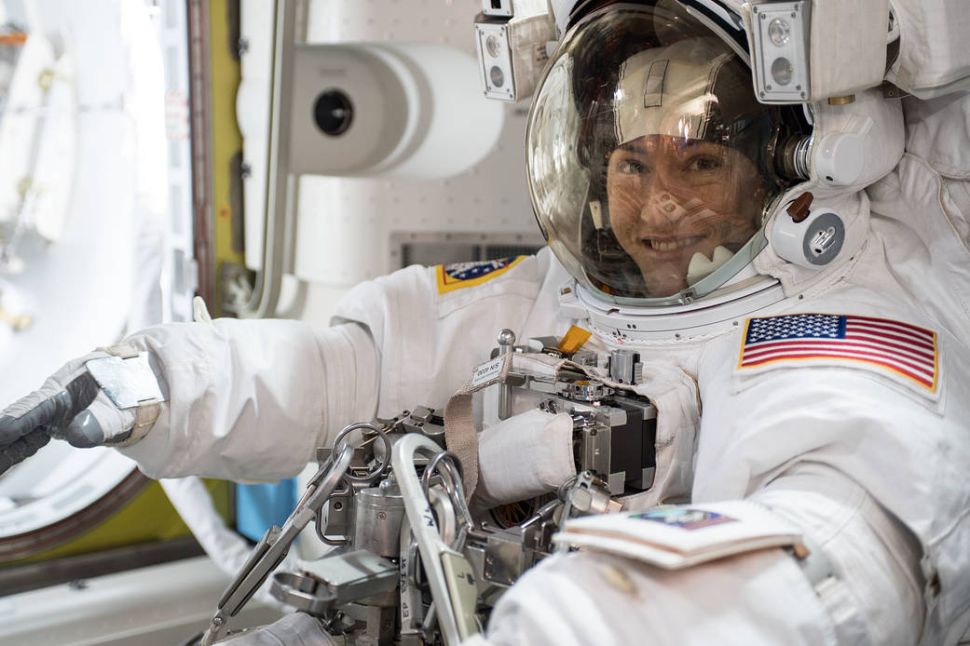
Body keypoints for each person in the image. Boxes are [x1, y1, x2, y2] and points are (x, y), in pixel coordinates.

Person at [2, 1, 970, 644]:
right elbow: (339, 376)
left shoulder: (839, 319)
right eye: (632, 165)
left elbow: (838, 552)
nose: (656, 203)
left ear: (772, 164)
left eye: (697, 164)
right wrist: (155, 387)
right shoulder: (552, 294)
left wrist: (581, 621)